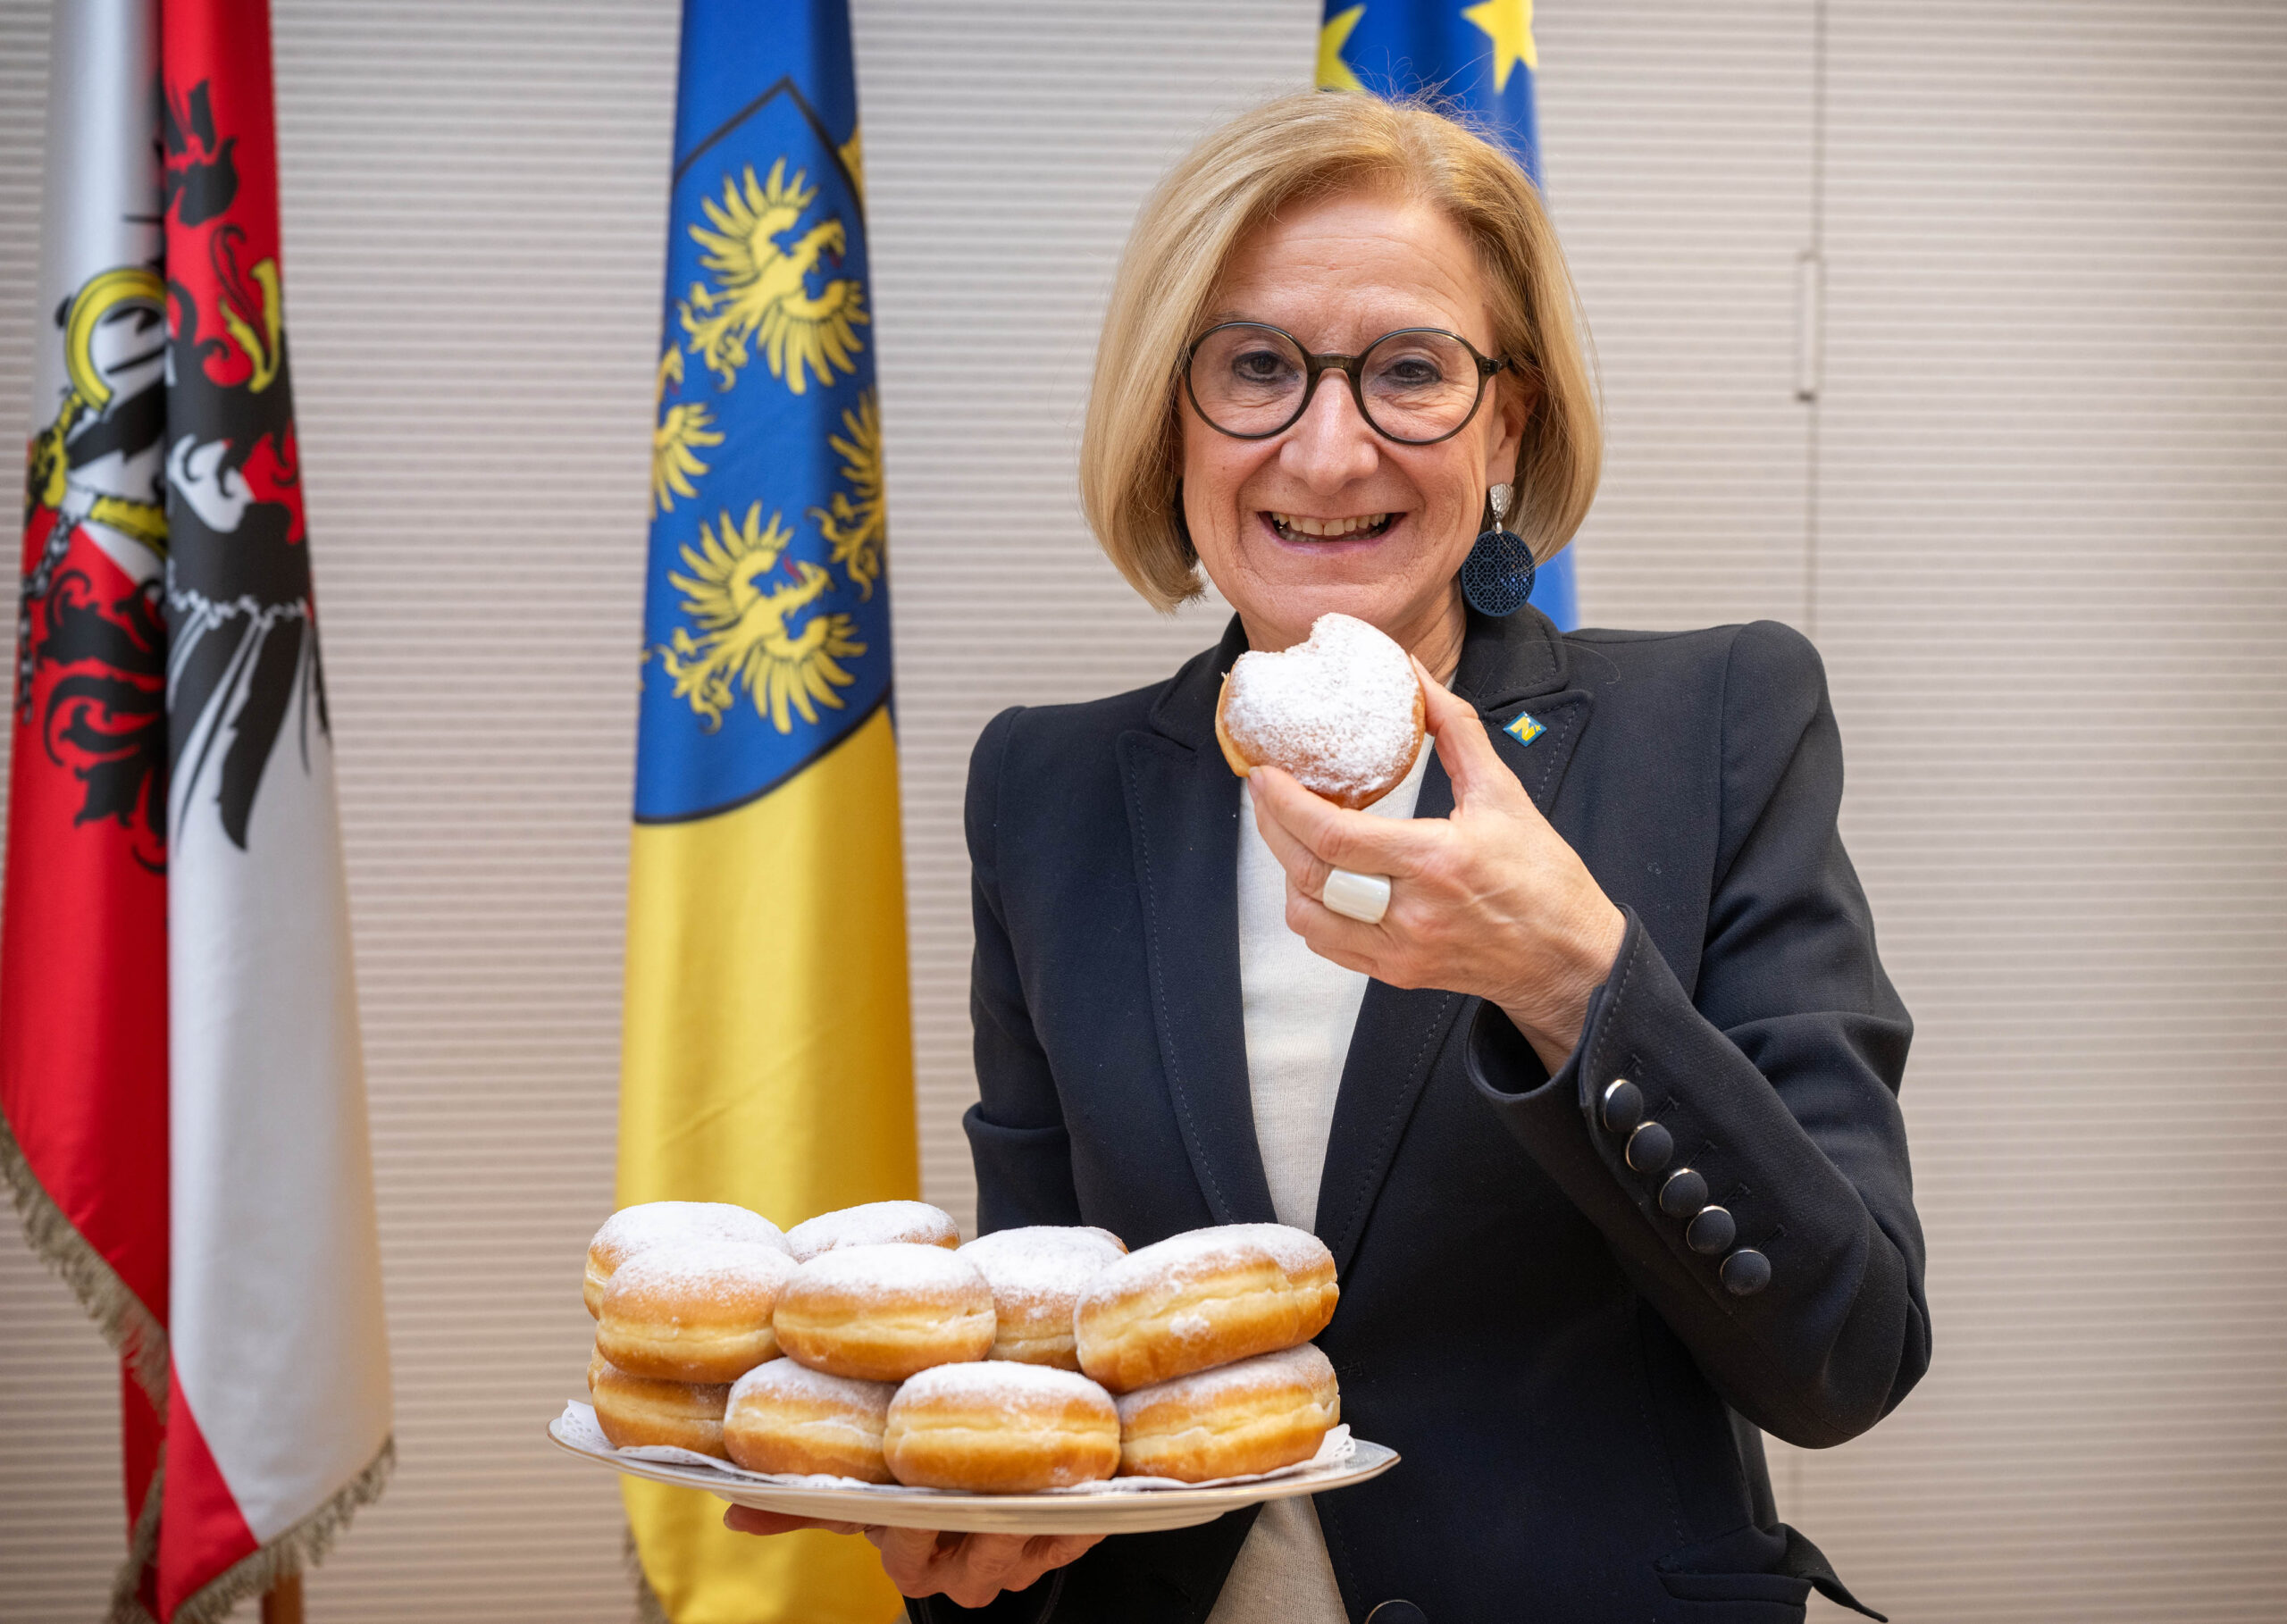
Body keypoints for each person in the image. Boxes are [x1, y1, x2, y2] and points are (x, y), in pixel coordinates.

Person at [728, 90, 1928, 1623]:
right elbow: (1047, 1347)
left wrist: (1572, 976)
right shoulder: (1046, 787)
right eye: (1255, 366)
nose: (1331, 443)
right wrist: (970, 1540)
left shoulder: (1717, 727)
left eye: (1411, 369)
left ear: (1510, 420)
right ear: (1171, 419)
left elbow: (1845, 1354)